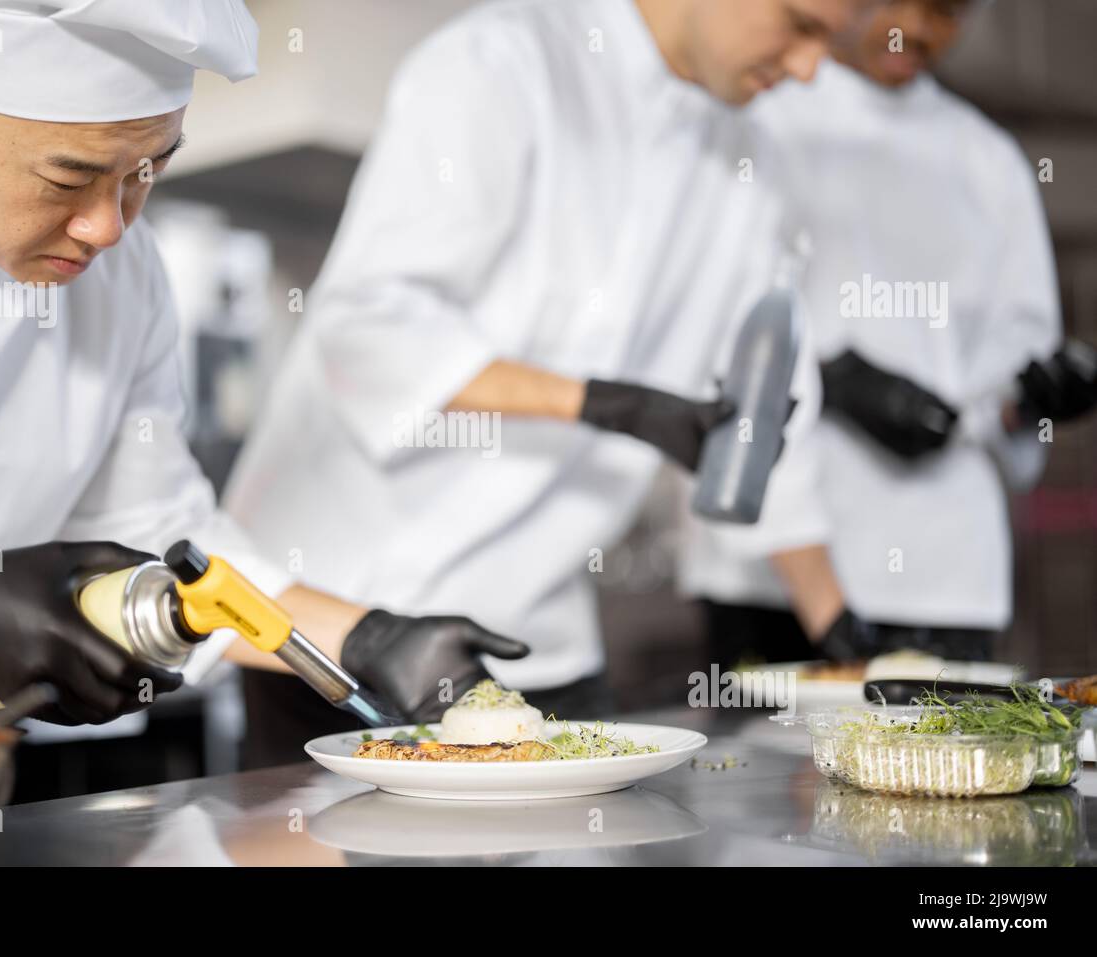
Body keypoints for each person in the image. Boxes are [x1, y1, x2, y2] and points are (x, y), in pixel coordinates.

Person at [0, 0, 524, 729]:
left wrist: (361, 637)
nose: (108, 228)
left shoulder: (125, 276)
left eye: (144, 176)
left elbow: (160, 527)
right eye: (66, 177)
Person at [225, 0, 886, 764]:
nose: (809, 69)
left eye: (830, 42)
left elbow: (772, 416)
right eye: (801, 25)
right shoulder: (500, 64)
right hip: (351, 619)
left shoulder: (755, 170)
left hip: (544, 625)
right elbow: (370, 330)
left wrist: (841, 631)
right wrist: (605, 404)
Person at [678, 0, 1096, 667]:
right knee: (765, 768)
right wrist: (829, 382)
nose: (921, 31)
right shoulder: (758, 117)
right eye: (904, 3)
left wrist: (1030, 403)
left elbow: (1004, 378)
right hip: (767, 577)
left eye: (950, 12)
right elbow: (696, 331)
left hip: (944, 574)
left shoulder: (988, 160)